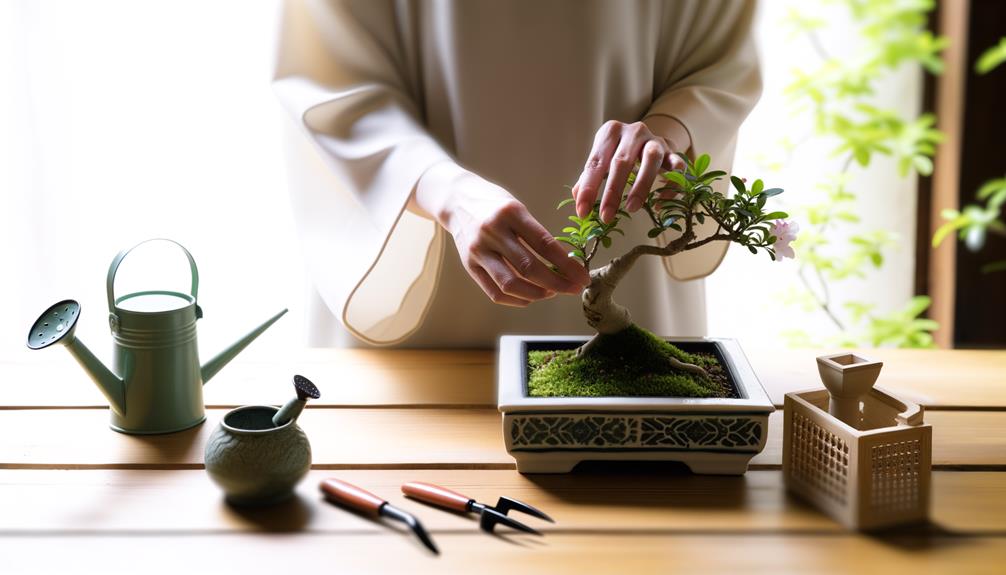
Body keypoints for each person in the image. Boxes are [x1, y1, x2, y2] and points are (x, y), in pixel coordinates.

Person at [274, 0, 761, 347]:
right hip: (433, 264)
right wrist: (447, 191)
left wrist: (665, 131)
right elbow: (328, 72)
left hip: (631, 213)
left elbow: (721, 59)